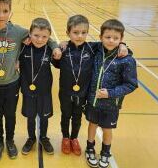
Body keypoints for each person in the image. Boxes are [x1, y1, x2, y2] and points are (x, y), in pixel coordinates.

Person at [0, 0, 61, 162]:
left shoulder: (18, 31)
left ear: (10, 11)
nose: (1, 15)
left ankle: (10, 141)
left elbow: (45, 38)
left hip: (12, 84)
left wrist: (56, 46)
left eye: (5, 11)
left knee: (10, 115)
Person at [53, 15, 129, 157]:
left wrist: (123, 45)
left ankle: (74, 138)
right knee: (65, 116)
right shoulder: (63, 49)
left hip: (82, 93)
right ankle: (65, 138)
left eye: (83, 33)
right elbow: (55, 61)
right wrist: (58, 47)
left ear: (87, 33)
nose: (80, 36)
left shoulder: (93, 48)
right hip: (65, 92)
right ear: (67, 32)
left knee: (77, 117)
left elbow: (111, 43)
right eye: (75, 32)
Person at [85, 19, 138, 168]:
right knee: (92, 125)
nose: (111, 40)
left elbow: (131, 84)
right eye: (107, 37)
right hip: (93, 101)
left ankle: (105, 152)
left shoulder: (126, 60)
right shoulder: (96, 50)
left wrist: (111, 93)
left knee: (107, 129)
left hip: (111, 105)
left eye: (116, 38)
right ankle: (89, 148)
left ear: (122, 39)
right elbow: (79, 43)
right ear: (101, 37)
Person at [19, 18, 55, 155]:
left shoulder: (50, 49)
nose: (40, 39)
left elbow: (59, 63)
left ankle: (44, 137)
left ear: (49, 37)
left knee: (44, 117)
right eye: (36, 35)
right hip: (28, 91)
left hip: (44, 92)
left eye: (44, 36)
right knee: (30, 117)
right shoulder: (23, 47)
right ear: (30, 34)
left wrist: (57, 47)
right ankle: (31, 138)